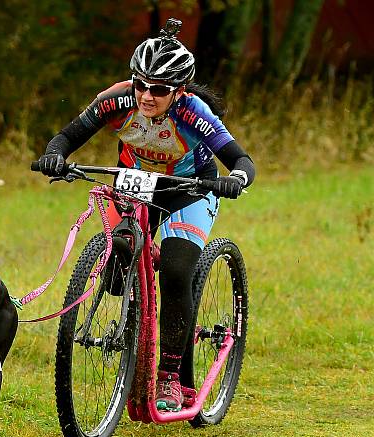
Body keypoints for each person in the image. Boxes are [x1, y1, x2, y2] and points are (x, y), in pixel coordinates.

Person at [36, 18, 256, 411]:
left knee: (175, 271)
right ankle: (133, 313)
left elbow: (239, 158)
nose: (146, 96)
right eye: (140, 85)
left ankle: (171, 377)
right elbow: (68, 136)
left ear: (179, 91)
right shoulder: (116, 100)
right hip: (134, 184)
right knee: (119, 256)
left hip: (188, 191)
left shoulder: (194, 113)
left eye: (158, 90)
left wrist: (236, 177)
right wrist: (56, 156)